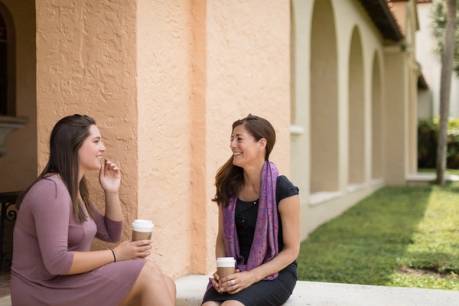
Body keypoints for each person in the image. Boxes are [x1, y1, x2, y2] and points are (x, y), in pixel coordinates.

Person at [10, 114, 175, 306]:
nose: (103, 148)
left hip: (68, 284)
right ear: (74, 146)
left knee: (167, 283)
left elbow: (110, 233)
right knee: (147, 273)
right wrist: (116, 255)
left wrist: (111, 191)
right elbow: (57, 262)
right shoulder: (51, 190)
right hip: (41, 291)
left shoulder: (74, 188)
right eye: (96, 141)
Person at [202, 114, 300, 306]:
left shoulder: (283, 190)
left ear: (261, 143)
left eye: (239, 139)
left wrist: (251, 276)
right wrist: (223, 274)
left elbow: (292, 250)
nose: (232, 145)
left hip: (275, 273)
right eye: (231, 138)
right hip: (237, 271)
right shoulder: (228, 184)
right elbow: (222, 237)